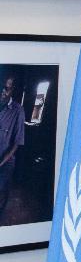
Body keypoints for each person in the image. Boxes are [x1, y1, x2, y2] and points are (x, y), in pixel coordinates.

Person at [0, 75, 25, 221]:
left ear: (12, 90)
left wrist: (1, 163)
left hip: (5, 163)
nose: (3, 91)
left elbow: (17, 143)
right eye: (1, 87)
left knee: (1, 193)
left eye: (7, 88)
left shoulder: (18, 111)